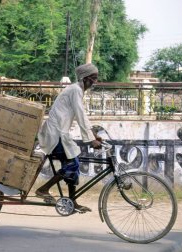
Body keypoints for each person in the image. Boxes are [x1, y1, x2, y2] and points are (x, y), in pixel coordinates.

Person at [36, 63, 102, 213]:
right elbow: (80, 114)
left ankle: (72, 203)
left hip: (59, 133)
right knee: (73, 164)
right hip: (54, 134)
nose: (94, 82)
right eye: (93, 78)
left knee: (73, 164)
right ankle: (43, 189)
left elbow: (82, 116)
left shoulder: (77, 90)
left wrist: (94, 134)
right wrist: (91, 139)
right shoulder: (75, 90)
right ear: (85, 78)